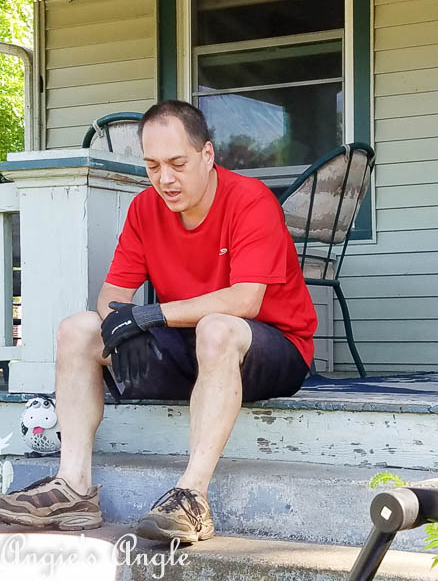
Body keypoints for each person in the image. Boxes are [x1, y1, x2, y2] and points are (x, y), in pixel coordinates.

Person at [0, 100, 317, 543]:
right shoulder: (145, 209)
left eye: (177, 163)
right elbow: (111, 298)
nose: (164, 179)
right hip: (191, 346)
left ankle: (192, 497)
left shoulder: (250, 200)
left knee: (218, 326)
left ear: (207, 156)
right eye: (152, 166)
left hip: (273, 347)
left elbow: (246, 299)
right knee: (78, 329)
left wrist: (150, 316)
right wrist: (117, 328)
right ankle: (72, 486)